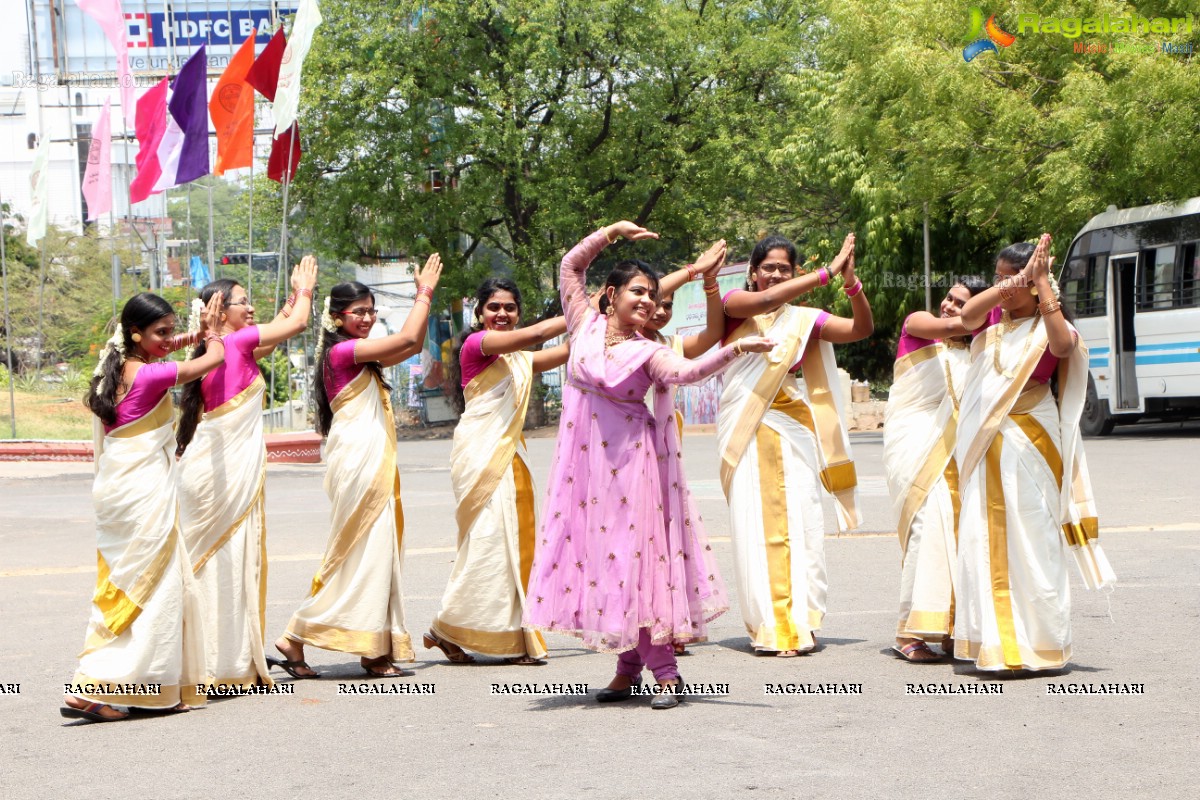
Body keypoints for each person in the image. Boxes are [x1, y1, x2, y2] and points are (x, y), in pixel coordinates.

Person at [523, 221, 774, 709]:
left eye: (653, 295)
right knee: (606, 566)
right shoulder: (583, 324)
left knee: (635, 566)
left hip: (631, 472)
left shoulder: (648, 351)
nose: (646, 301)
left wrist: (736, 349)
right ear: (611, 294)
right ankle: (626, 670)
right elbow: (570, 265)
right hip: (583, 473)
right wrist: (611, 232)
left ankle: (667, 673)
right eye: (637, 291)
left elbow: (689, 372)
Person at [272, 256, 443, 679]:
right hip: (359, 464)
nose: (366, 318)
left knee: (375, 552)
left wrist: (423, 298)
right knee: (365, 552)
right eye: (358, 312)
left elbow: (412, 344)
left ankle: (370, 647)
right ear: (336, 318)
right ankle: (301, 633)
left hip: (369, 461)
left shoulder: (362, 357)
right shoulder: (344, 352)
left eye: (371, 311)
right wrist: (423, 292)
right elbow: (407, 336)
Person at [61, 291, 227, 723]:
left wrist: (184, 333)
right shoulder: (150, 377)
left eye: (172, 332)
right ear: (136, 333)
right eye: (162, 332)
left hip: (117, 492)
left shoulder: (116, 367)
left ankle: (100, 681)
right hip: (142, 494)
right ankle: (112, 683)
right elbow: (210, 362)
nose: (170, 340)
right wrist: (211, 334)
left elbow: (165, 350)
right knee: (158, 589)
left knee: (123, 587)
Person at [954, 234, 1115, 671]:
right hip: (986, 444)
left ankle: (1040, 646)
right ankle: (998, 646)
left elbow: (1062, 348)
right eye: (999, 278)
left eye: (1013, 280)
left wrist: (1042, 285)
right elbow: (967, 314)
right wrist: (1012, 283)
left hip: (1032, 439)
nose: (1005, 287)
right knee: (983, 537)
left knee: (1033, 540)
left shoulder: (1051, 325)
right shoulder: (991, 326)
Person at [718, 233, 872, 656]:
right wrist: (825, 272)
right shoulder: (733, 305)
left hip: (792, 427)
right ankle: (771, 624)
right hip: (746, 429)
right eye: (768, 267)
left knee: (802, 524)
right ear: (752, 273)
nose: (775, 274)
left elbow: (861, 329)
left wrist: (851, 282)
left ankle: (801, 620)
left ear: (794, 272)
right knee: (757, 525)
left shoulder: (805, 319)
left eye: (784, 268)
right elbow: (766, 304)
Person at [175, 257, 318, 691]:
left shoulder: (227, 347)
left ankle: (218, 660)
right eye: (242, 302)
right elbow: (294, 326)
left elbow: (277, 327)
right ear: (221, 311)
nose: (250, 308)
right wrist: (306, 290)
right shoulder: (232, 346)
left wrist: (293, 296)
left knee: (223, 565)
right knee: (218, 564)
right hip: (218, 476)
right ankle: (213, 663)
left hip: (210, 472)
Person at [427, 278, 569, 666]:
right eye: (494, 307)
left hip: (511, 452)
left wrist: (610, 323)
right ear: (479, 312)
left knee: (513, 541)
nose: (502, 314)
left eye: (510, 307)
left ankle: (495, 633)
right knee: (490, 541)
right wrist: (583, 306)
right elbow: (540, 333)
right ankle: (451, 625)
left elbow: (564, 351)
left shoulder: (516, 358)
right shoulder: (478, 344)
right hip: (481, 453)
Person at [882, 277, 988, 663]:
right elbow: (947, 328)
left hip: (955, 453)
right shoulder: (918, 323)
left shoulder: (977, 351)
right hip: (914, 445)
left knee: (958, 532)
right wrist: (1001, 304)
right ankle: (908, 630)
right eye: (949, 297)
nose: (948, 306)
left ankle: (952, 628)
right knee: (928, 528)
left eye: (961, 303)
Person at [640, 240, 730, 655]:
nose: (660, 310)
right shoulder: (615, 341)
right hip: (625, 454)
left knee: (668, 532)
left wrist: (710, 285)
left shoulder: (669, 346)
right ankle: (640, 623)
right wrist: (694, 268)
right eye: (655, 300)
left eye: (668, 304)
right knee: (638, 537)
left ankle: (671, 620)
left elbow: (713, 334)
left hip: (663, 452)